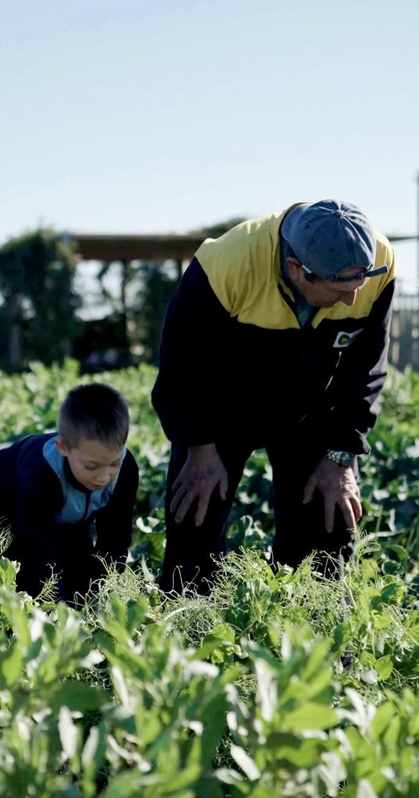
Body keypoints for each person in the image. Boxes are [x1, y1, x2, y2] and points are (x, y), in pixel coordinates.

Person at [153, 200, 396, 592]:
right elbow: (181, 366)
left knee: (327, 532)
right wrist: (199, 446)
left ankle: (317, 645)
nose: (352, 301)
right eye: (339, 289)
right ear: (297, 269)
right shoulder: (226, 263)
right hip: (222, 408)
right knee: (194, 523)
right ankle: (189, 637)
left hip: (316, 408)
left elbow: (366, 368)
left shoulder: (379, 263)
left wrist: (340, 454)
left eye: (358, 285)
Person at [0, 383, 140, 604]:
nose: (104, 477)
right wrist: (58, 610)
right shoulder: (40, 474)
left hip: (66, 506)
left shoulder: (126, 469)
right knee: (18, 580)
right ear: (63, 448)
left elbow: (115, 536)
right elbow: (38, 547)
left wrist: (102, 595)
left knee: (80, 576)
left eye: (113, 464)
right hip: (6, 499)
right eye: (92, 466)